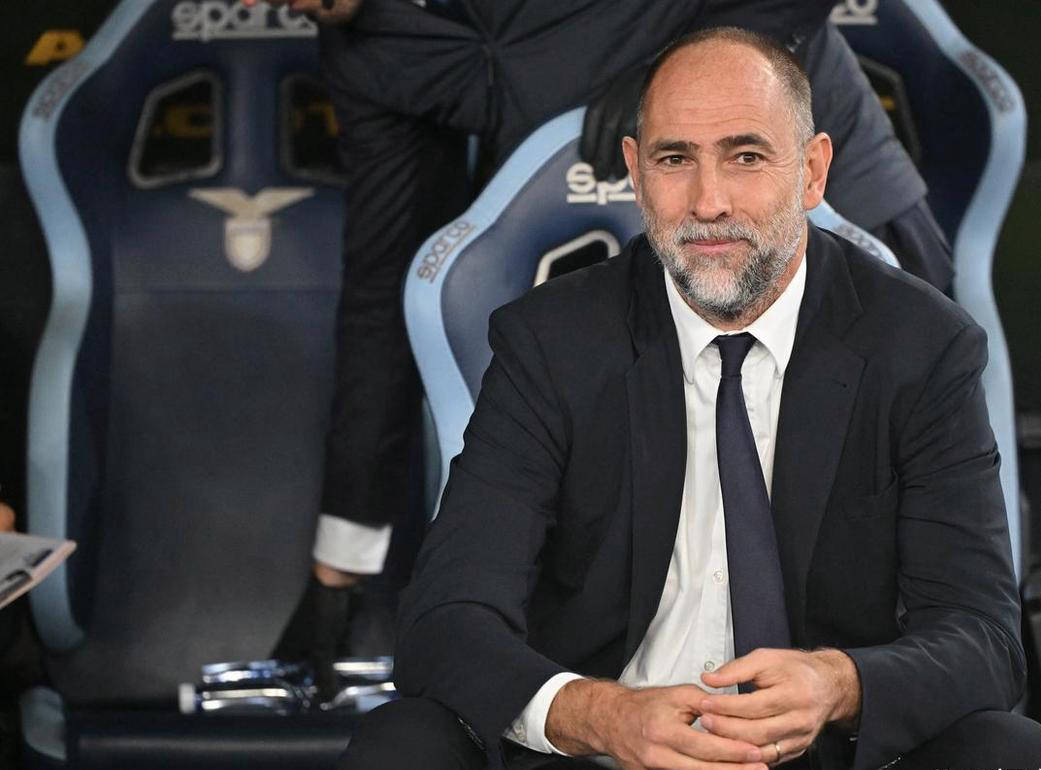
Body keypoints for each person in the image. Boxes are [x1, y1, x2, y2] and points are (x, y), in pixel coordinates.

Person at [337, 26, 1041, 770]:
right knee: (401, 746)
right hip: (606, 752)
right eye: (674, 160)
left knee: (1009, 751)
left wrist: (838, 684)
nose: (708, 202)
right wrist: (599, 716)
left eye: (746, 157)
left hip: (819, 755)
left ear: (813, 172)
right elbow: (445, 621)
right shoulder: (551, 343)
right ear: (635, 173)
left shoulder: (922, 346)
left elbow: (983, 639)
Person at [269, 0, 952, 703]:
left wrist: (665, 67)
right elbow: (389, 297)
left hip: (817, 203)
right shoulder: (368, 51)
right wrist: (338, 573)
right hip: (618, 249)